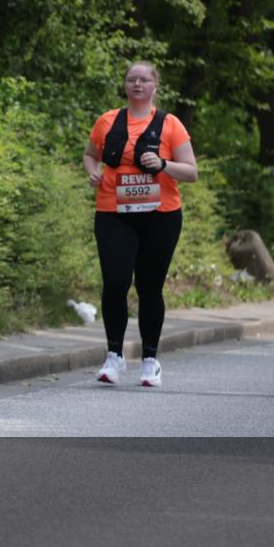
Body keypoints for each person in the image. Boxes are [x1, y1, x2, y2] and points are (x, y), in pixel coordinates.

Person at [82, 62, 198, 387]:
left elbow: (191, 171)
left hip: (160, 216)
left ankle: (150, 360)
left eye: (144, 79)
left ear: (155, 86)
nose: (137, 84)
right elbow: (90, 155)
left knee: (149, 287)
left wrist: (163, 165)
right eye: (132, 79)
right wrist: (91, 170)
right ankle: (114, 358)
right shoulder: (107, 121)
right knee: (116, 283)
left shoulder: (170, 124)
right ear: (125, 85)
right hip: (114, 214)